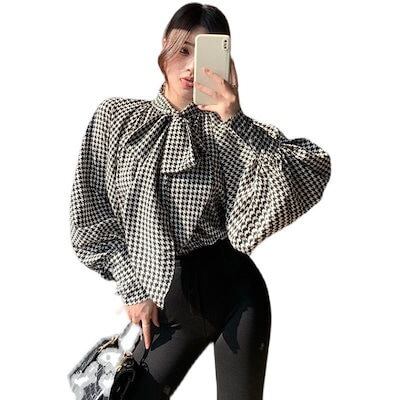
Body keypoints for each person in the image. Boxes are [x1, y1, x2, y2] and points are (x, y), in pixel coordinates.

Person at [69, 3, 331, 399]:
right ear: (165, 45)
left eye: (205, 54)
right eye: (184, 50)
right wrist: (133, 290)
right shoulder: (116, 118)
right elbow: (91, 218)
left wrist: (237, 119)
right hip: (167, 299)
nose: (191, 66)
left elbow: (310, 166)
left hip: (238, 295)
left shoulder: (228, 130)